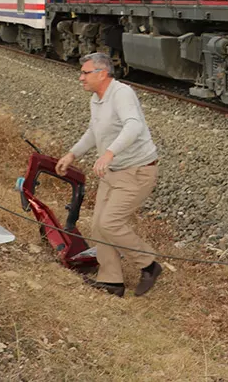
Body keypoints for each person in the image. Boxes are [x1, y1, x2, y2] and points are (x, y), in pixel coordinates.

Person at [56, 52, 162, 298]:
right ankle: (112, 281)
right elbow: (94, 131)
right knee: (98, 227)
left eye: (85, 72)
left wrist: (109, 153)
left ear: (102, 74)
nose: (80, 77)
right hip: (112, 172)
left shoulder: (121, 93)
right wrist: (72, 155)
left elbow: (134, 126)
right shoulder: (97, 99)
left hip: (136, 171)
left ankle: (149, 265)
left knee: (110, 223)